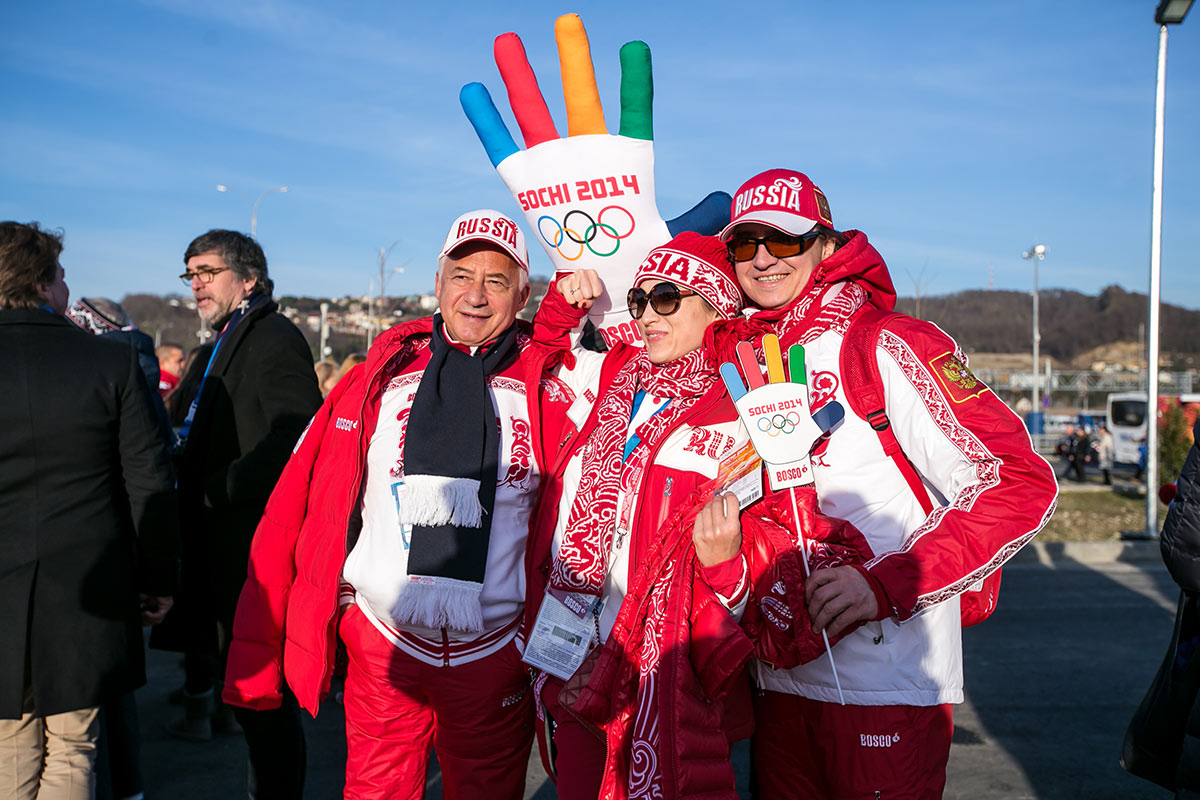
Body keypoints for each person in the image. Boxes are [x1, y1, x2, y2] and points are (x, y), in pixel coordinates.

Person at [713, 169, 1058, 798]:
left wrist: (885, 583)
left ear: (825, 245)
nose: (762, 260)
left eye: (784, 241)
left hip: (886, 681)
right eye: (745, 244)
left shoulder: (884, 342)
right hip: (774, 682)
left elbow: (1016, 481)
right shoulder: (735, 357)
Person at [223, 210, 575, 800]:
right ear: (437, 285)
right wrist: (331, 615)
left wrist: (570, 315)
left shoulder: (552, 384)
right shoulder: (373, 379)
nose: (477, 295)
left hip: (494, 649)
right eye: (463, 275)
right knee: (375, 791)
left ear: (523, 295)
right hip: (383, 642)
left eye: (497, 280)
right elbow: (299, 505)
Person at [526, 233, 755, 798]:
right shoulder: (614, 377)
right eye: (639, 301)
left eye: (667, 299)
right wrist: (562, 301)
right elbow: (542, 357)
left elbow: (760, 544)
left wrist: (727, 569)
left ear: (717, 305)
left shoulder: (742, 407)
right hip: (573, 652)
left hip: (664, 667)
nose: (648, 315)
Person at [0, 221, 180, 800]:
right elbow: (150, 481)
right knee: (75, 747)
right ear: (44, 281)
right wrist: (157, 579)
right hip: (88, 584)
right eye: (61, 274)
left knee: (10, 743)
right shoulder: (111, 363)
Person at [153, 230, 321, 796]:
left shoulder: (272, 336)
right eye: (189, 273)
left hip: (251, 550)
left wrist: (220, 486)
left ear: (248, 279)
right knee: (245, 697)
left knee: (263, 705)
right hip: (221, 547)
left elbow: (297, 430)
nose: (196, 282)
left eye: (207, 271)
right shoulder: (226, 338)